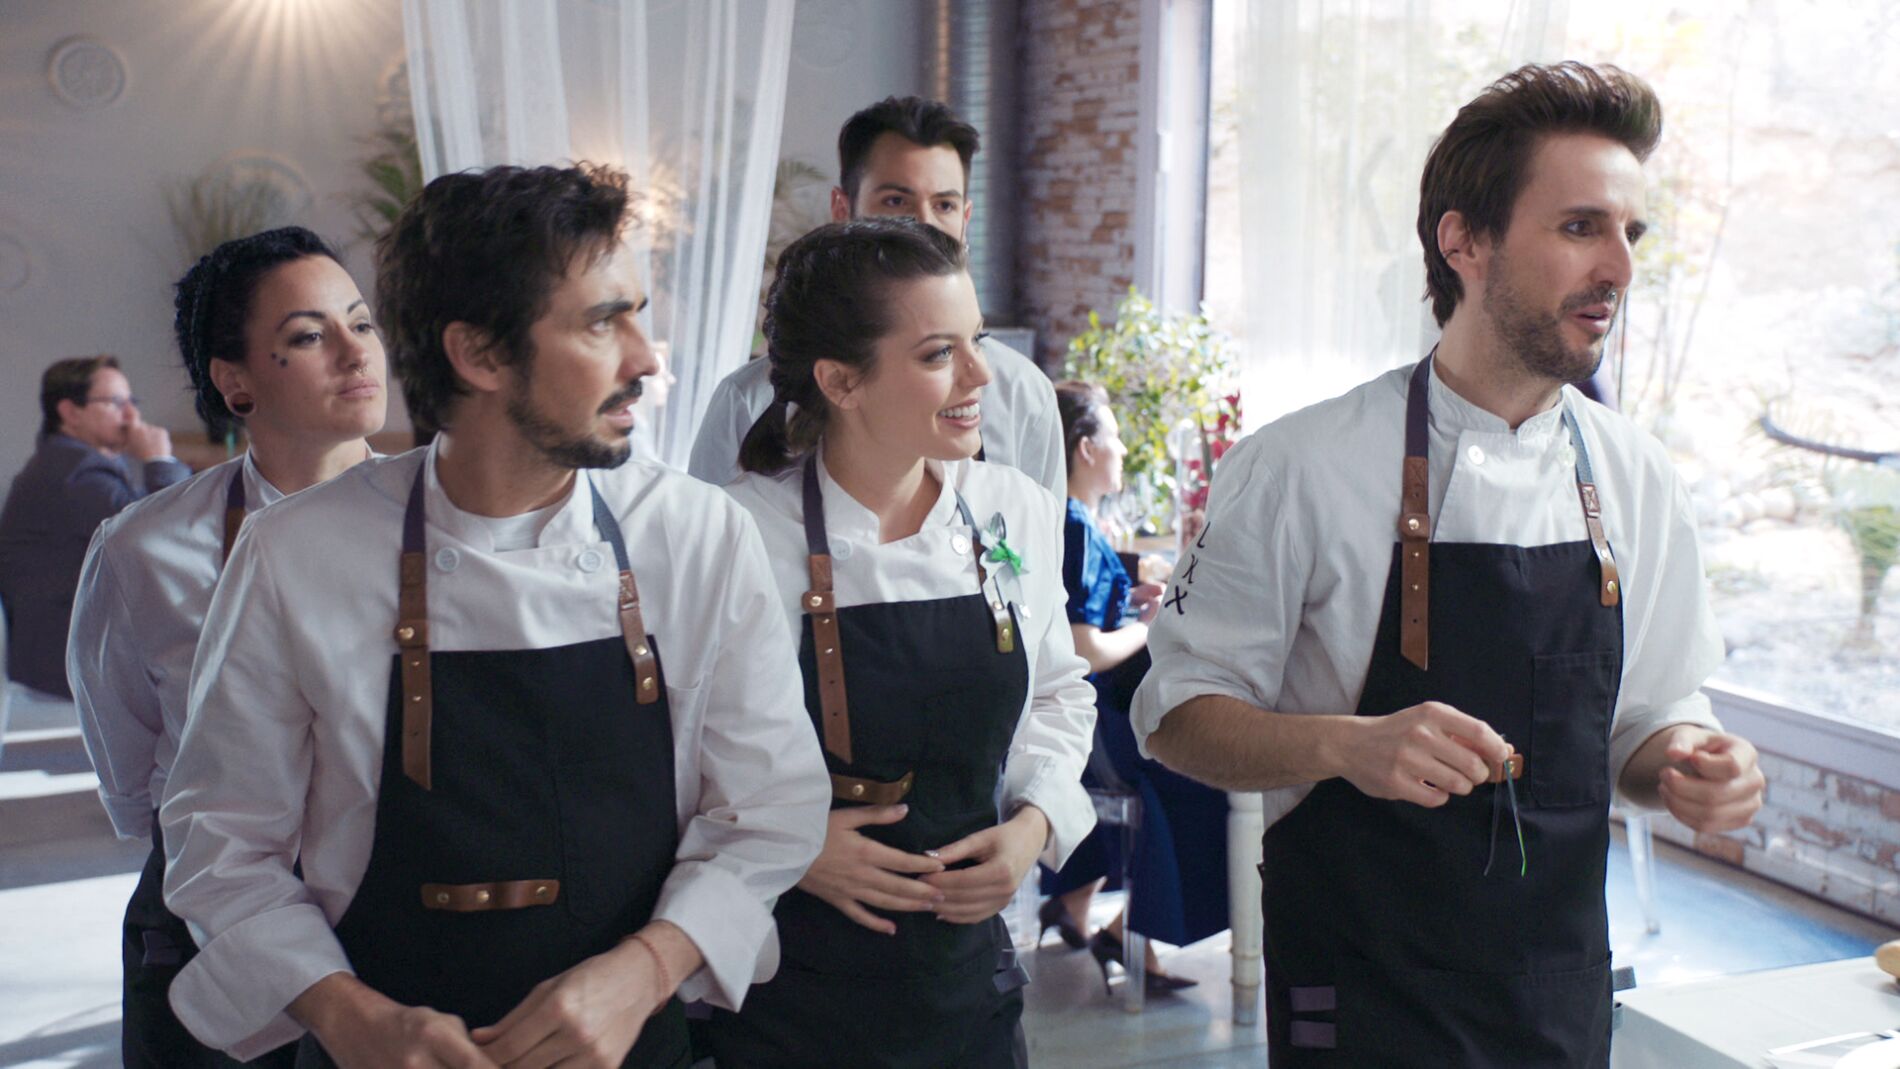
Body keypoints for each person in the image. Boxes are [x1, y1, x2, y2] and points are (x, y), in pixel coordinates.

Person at [1133, 63, 1765, 1065]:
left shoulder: (1636, 479)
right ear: (1462, 241)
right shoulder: (1300, 467)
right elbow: (1174, 718)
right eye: (1578, 228)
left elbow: (1648, 714)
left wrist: (1691, 766)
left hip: (1554, 998)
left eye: (1628, 235)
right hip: (1358, 995)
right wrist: (1346, 745)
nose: (1619, 269)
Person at [158, 164, 830, 1068]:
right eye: (603, 321)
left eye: (637, 313)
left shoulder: (699, 535)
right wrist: (352, 1016)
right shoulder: (294, 556)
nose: (645, 358)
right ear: (477, 355)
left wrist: (644, 969)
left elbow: (771, 807)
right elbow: (220, 847)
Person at [704, 218, 1096, 1068]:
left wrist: (1035, 826)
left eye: (978, 341)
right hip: (787, 992)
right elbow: (677, 754)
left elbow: (1062, 693)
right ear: (841, 380)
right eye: (937, 354)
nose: (982, 376)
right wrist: (795, 845)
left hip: (968, 991)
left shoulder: (1012, 508)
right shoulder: (737, 531)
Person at [65, 227, 385, 1069]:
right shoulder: (144, 547)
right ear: (234, 380)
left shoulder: (439, 518)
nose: (357, 353)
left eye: (363, 322)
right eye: (310, 336)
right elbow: (132, 774)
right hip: (206, 918)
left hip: (398, 902)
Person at [687, 95, 1063, 494]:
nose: (923, 224)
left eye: (945, 205)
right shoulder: (748, 401)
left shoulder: (1023, 395)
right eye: (896, 201)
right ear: (842, 208)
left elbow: (1039, 553)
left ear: (967, 218)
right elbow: (704, 545)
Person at [1037, 381, 1228, 997]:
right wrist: (1151, 624)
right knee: (1211, 778)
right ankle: (1128, 929)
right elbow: (1083, 649)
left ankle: (1073, 904)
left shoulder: (1061, 519)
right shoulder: (1074, 526)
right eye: (1115, 435)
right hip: (1096, 729)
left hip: (1086, 720)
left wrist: (1135, 605)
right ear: (1086, 448)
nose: (1123, 449)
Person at [0, 355, 189, 699]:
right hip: (68, 667)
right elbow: (167, 535)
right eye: (116, 402)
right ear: (70, 412)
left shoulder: (64, 462)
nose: (132, 416)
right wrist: (159, 460)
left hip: (56, 656)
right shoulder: (78, 475)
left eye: (132, 402)